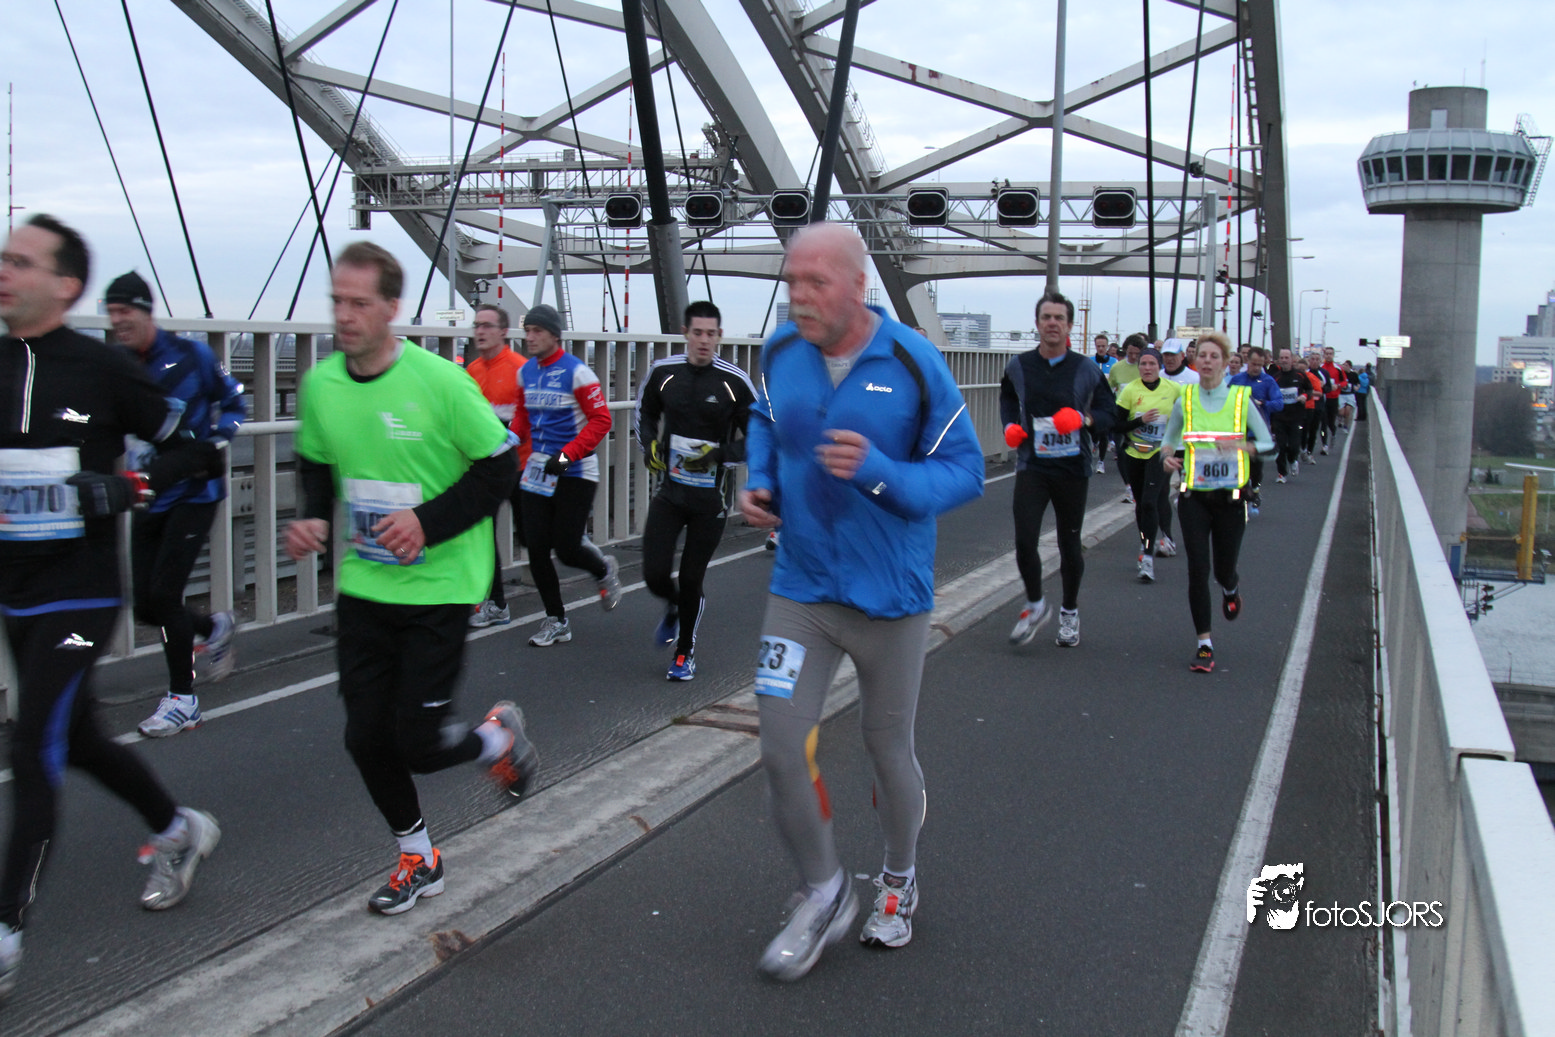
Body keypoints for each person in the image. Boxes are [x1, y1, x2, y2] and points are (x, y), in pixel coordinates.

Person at [738, 223, 982, 980]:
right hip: (802, 587)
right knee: (779, 745)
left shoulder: (911, 360)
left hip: (889, 600)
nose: (799, 297)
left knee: (887, 747)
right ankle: (824, 890)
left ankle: (899, 878)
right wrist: (760, 479)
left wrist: (881, 472)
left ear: (857, 285)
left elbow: (964, 470)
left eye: (815, 282)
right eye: (791, 281)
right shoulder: (782, 350)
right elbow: (764, 419)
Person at [0, 215, 227, 1000]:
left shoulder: (101, 369)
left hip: (82, 589)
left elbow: (197, 446)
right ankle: (177, 829)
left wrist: (130, 484)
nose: (3, 271)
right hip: (15, 588)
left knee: (34, 742)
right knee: (80, 736)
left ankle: (6, 929)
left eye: (20, 261)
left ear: (65, 285)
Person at [285, 242, 538, 916]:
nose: (344, 315)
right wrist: (311, 515)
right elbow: (315, 461)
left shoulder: (441, 382)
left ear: (391, 308)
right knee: (364, 737)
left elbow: (500, 466)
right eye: (337, 302)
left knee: (419, 745)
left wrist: (426, 521)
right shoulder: (322, 385)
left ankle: (497, 738)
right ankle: (418, 857)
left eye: (359, 303)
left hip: (441, 586)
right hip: (366, 585)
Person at [103, 272, 247, 737]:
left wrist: (216, 441)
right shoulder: (118, 363)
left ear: (146, 311)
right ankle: (212, 628)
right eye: (111, 312)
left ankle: (183, 700)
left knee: (165, 596)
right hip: (148, 492)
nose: (117, 320)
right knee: (145, 606)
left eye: (125, 311)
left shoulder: (192, 355)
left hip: (195, 492)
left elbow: (234, 400)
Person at [634, 300, 755, 681]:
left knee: (691, 578)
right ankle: (674, 606)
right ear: (685, 334)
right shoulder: (664, 372)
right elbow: (645, 413)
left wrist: (718, 455)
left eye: (711, 334)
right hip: (670, 493)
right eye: (697, 333)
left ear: (720, 336)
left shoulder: (734, 382)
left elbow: (762, 437)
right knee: (654, 573)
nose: (704, 341)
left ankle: (684, 652)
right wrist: (649, 446)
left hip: (710, 500)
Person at [1002, 291, 1116, 648]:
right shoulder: (1019, 365)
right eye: (1046, 317)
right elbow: (1007, 396)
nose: (1052, 323)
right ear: (1037, 324)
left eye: (1059, 318)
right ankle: (1036, 605)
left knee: (1070, 545)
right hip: (1032, 465)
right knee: (1024, 540)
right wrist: (1009, 425)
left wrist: (1085, 419)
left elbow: (1110, 412)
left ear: (1069, 326)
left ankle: (1069, 610)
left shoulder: (1086, 368)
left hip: (1072, 468)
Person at [1160, 332, 1275, 672]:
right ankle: (1204, 644)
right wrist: (1167, 457)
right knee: (1198, 569)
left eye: (1214, 356)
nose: (1208, 361)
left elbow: (1269, 445)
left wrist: (1245, 447)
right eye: (1203, 356)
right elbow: (1168, 440)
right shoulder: (1185, 400)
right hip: (1193, 497)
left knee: (1223, 569)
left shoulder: (1241, 400)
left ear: (1225, 363)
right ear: (1196, 362)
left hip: (1230, 499)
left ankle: (1231, 588)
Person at [509, 303, 621, 647]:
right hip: (539, 470)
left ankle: (603, 569)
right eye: (527, 331)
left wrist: (567, 455)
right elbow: (523, 415)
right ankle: (556, 620)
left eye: (537, 331)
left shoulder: (578, 373)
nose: (530, 337)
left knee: (568, 548)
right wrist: (507, 439)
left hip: (575, 470)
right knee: (535, 547)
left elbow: (602, 420)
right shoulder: (525, 372)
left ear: (555, 336)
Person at [464, 304, 528, 628]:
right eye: (477, 325)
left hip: (521, 465)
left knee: (534, 536)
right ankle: (496, 603)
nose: (480, 331)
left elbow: (532, 416)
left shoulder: (520, 368)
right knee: (482, 533)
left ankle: (585, 554)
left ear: (503, 331)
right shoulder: (471, 371)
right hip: (487, 469)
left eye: (487, 325)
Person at [1112, 346, 1181, 582]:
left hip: (1159, 453)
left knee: (1151, 502)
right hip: (1134, 453)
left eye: (1152, 364)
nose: (1147, 368)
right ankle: (1145, 543)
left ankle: (1148, 557)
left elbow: (1187, 419)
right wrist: (1140, 421)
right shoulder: (1130, 390)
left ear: (1160, 366)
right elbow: (1116, 425)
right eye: (1143, 364)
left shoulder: (1174, 389)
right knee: (1141, 504)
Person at [1227, 345, 1283, 516]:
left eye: (1260, 365)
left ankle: (1256, 490)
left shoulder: (1268, 381)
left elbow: (1279, 403)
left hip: (1257, 433)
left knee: (1256, 469)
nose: (1256, 368)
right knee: (1238, 467)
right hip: (1237, 432)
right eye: (1253, 364)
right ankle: (1239, 497)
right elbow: (1225, 401)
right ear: (1247, 362)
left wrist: (1264, 404)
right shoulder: (1237, 380)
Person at [1269, 348, 1310, 482]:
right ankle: (1282, 474)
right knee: (1280, 446)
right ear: (1279, 360)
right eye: (1282, 358)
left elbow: (1310, 390)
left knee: (1294, 445)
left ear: (1292, 360)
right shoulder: (1275, 377)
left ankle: (1292, 460)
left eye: (1287, 358)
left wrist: (1304, 396)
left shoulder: (1300, 375)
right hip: (1279, 417)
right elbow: (1270, 394)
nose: (1284, 360)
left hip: (1296, 417)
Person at [1338, 359, 1357, 430]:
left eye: (1346, 365)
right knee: (1342, 412)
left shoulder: (1354, 374)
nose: (1344, 366)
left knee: (1348, 411)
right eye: (1343, 365)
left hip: (1350, 395)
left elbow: (1358, 384)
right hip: (1341, 395)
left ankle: (1346, 425)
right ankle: (1340, 419)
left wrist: (1356, 387)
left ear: (1350, 366)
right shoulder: (1340, 374)